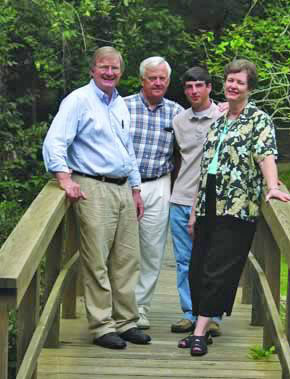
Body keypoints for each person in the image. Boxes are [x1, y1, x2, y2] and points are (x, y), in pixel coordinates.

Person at [178, 59, 290, 356]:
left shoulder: (259, 120)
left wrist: (272, 187)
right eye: (230, 80)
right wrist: (193, 210)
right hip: (208, 201)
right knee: (197, 268)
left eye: (239, 82)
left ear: (249, 88)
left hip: (238, 204)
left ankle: (200, 332)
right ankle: (199, 326)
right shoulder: (218, 119)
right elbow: (204, 169)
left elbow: (266, 156)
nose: (232, 85)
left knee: (218, 269)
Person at [43, 46, 151, 350]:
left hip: (122, 188)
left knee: (127, 258)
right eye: (103, 67)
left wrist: (135, 188)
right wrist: (64, 178)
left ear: (121, 71)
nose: (109, 73)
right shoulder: (79, 100)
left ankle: (126, 321)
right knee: (97, 260)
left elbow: (126, 149)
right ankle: (103, 326)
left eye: (115, 68)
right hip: (93, 186)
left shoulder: (119, 104)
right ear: (92, 70)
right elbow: (55, 140)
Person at [125, 57, 184, 329]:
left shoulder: (177, 112)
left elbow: (201, 129)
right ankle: (120, 307)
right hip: (124, 185)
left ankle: (140, 309)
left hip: (160, 183)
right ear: (142, 80)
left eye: (162, 78)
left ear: (168, 82)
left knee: (152, 249)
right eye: (153, 78)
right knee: (121, 250)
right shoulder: (122, 107)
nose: (158, 82)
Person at [170, 66, 223, 336]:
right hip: (180, 199)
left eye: (199, 85)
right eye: (189, 87)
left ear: (209, 88)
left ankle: (211, 316)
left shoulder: (225, 116)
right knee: (184, 261)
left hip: (212, 202)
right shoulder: (179, 121)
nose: (194, 91)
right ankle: (189, 313)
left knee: (212, 260)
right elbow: (180, 159)